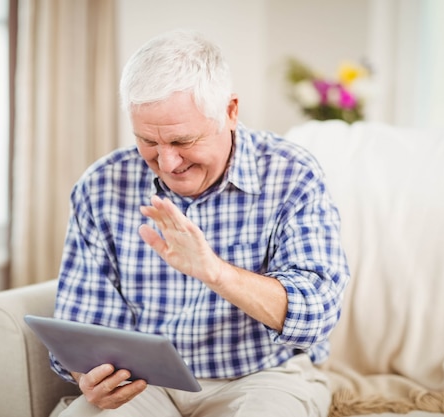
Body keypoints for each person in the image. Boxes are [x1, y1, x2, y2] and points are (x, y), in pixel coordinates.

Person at [52, 29, 350, 417]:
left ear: (230, 111)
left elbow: (317, 314)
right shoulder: (102, 185)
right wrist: (86, 374)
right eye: (148, 141)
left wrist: (215, 272)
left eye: (183, 141)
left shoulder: (293, 174)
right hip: (145, 382)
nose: (167, 162)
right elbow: (82, 323)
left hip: (263, 375)